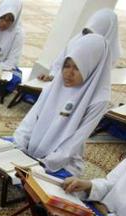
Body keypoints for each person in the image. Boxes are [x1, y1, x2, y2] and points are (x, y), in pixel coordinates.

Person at [13, 33, 111, 179]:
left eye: (77, 68)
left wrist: (43, 164)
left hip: (61, 162)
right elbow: (31, 120)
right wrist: (18, 147)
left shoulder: (98, 100)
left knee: (48, 187)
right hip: (30, 149)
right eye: (66, 66)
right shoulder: (54, 85)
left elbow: (74, 143)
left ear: (92, 67)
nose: (68, 73)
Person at [39, 8, 120, 82]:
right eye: (87, 32)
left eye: (93, 35)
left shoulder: (107, 56)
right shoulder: (78, 39)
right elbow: (60, 62)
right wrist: (51, 76)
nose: (87, 38)